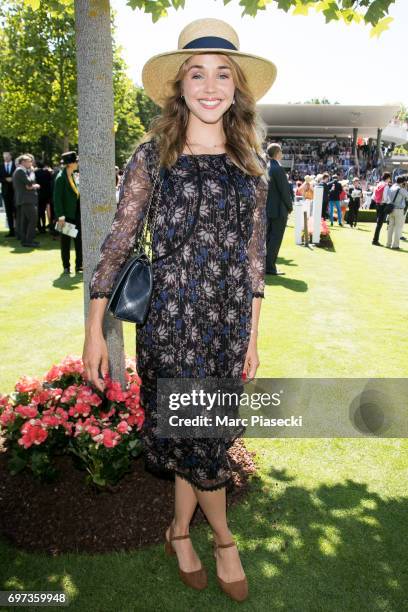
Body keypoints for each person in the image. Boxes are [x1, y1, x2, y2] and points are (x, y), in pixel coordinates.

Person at [82, 18, 276, 603]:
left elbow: (253, 257)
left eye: (223, 74)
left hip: (225, 326)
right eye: (198, 72)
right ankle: (223, 540)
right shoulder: (152, 157)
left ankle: (176, 532)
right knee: (204, 441)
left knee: (199, 438)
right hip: (170, 324)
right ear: (180, 85)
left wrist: (252, 336)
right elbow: (118, 243)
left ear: (237, 87)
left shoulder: (251, 163)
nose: (210, 85)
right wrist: (95, 330)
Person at [265, 142, 293, 275]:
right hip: (278, 210)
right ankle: (269, 267)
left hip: (268, 209)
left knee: (269, 238)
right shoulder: (278, 168)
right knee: (275, 239)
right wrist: (290, 207)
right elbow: (285, 191)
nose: (282, 154)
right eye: (281, 152)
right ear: (277, 153)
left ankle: (266, 265)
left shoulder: (267, 167)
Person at [53, 151, 83, 274]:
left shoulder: (73, 175)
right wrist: (60, 216)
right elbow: (57, 198)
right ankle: (66, 266)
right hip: (65, 216)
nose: (77, 163)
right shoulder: (60, 178)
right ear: (70, 164)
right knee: (65, 243)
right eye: (76, 161)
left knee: (79, 241)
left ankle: (79, 265)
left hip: (76, 214)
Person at [12, 154, 40, 247]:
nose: (31, 163)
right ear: (23, 162)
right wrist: (32, 172)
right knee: (33, 219)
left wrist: (31, 186)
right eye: (29, 161)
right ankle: (28, 241)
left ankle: (25, 240)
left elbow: (28, 185)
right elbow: (29, 183)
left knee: (25, 221)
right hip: (26, 200)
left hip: (25, 200)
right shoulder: (20, 171)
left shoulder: (21, 171)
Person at [386, 175, 408, 249]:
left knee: (390, 228)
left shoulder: (391, 187)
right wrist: (405, 187)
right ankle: (395, 245)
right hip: (399, 210)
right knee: (398, 228)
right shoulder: (400, 189)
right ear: (402, 182)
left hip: (391, 209)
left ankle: (388, 243)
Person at [372, 172, 392, 246]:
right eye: (389, 178)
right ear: (387, 178)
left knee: (378, 223)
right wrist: (388, 202)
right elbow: (385, 197)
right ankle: (375, 240)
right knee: (379, 224)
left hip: (377, 204)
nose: (390, 179)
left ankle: (375, 239)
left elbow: (374, 196)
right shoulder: (386, 185)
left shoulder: (379, 184)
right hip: (382, 205)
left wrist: (378, 201)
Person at [0, 152, 17, 237]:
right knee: (8, 212)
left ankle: (18, 230)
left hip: (15, 192)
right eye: (4, 157)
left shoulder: (16, 165)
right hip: (6, 193)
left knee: (16, 212)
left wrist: (12, 179)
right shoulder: (1, 166)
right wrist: (6, 180)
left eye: (7, 156)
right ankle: (11, 231)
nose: (6, 158)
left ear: (11, 156)